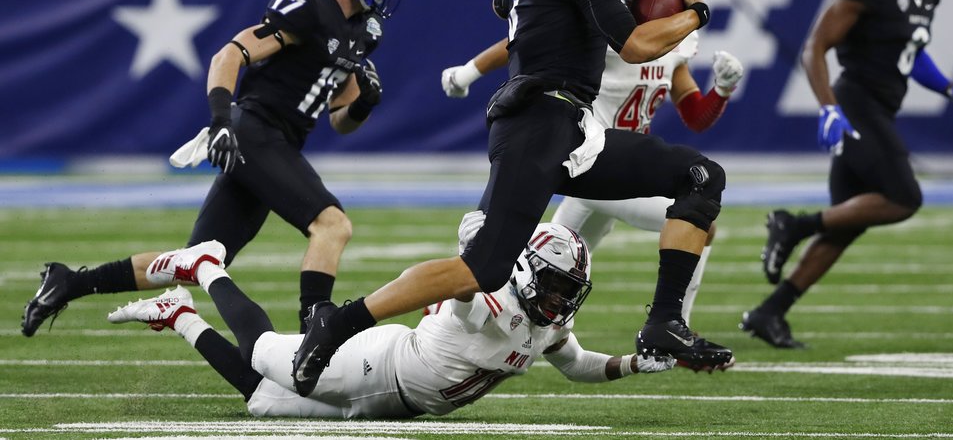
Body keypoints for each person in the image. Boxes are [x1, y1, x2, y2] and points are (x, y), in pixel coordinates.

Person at [291, 0, 734, 397]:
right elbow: (634, 45)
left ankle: (664, 323)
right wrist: (697, 13)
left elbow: (507, 0)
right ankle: (338, 323)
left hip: (566, 124)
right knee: (481, 270)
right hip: (540, 121)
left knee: (701, 176)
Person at [21, 0, 402, 337]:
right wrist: (221, 121)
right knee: (332, 225)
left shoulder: (364, 32)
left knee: (197, 264)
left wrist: (363, 103)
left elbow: (339, 118)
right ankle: (316, 330)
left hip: (276, 142)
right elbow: (230, 55)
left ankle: (69, 282)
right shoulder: (310, 5)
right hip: (254, 130)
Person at [441, 0, 745, 328]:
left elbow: (696, 117)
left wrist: (721, 90)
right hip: (592, 159)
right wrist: (470, 70)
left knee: (546, 266)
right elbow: (518, 39)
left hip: (623, 167)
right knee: (702, 223)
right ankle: (674, 327)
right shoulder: (605, 28)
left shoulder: (675, 41)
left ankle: (517, 329)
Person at [108, 222, 682, 418]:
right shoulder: (490, 298)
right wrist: (474, 251)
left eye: (568, 290)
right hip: (377, 364)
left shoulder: (544, 323)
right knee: (261, 351)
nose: (560, 299)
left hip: (398, 401)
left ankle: (178, 314)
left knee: (263, 402)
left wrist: (634, 364)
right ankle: (208, 267)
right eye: (554, 284)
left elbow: (578, 364)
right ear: (528, 272)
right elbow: (459, 295)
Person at [740, 0, 953, 349]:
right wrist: (829, 105)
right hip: (857, 104)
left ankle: (770, 312)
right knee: (903, 197)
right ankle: (793, 225)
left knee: (848, 223)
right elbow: (817, 47)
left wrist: (949, 88)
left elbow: (913, 51)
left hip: (879, 105)